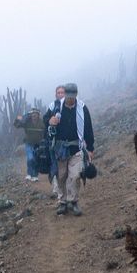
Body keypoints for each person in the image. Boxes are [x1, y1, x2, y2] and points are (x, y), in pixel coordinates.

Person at [44, 83, 94, 216]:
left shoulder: (82, 108)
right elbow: (44, 121)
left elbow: (88, 128)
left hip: (76, 148)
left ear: (76, 94)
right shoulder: (55, 107)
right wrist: (50, 121)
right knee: (61, 176)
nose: (70, 98)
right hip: (60, 149)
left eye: (73, 96)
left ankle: (73, 201)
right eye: (68, 96)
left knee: (75, 175)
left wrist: (90, 148)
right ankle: (62, 202)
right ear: (65, 94)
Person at [14, 108, 44, 182]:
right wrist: (17, 119)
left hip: (38, 144)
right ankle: (29, 174)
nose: (34, 115)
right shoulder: (27, 122)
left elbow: (46, 131)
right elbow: (17, 125)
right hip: (29, 143)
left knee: (36, 159)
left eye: (35, 114)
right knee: (30, 158)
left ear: (38, 115)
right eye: (32, 114)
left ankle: (35, 175)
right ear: (30, 115)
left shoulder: (42, 123)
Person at [46, 85, 66, 199]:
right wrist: (50, 121)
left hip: (67, 143)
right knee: (56, 166)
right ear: (55, 94)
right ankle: (58, 191)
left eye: (62, 92)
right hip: (54, 142)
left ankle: (65, 193)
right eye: (58, 92)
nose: (60, 94)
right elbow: (45, 120)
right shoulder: (52, 106)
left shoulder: (71, 107)